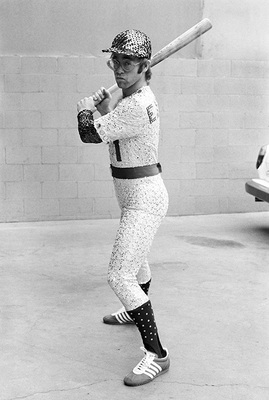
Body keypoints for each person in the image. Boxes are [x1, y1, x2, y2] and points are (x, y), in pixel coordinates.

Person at [77, 29, 170, 387]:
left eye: (128, 63)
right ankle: (136, 313)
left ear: (145, 67)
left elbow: (90, 134)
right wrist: (105, 110)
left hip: (144, 199)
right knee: (138, 262)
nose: (118, 69)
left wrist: (87, 112)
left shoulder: (135, 105)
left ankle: (157, 355)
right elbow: (118, 134)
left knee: (119, 275)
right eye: (115, 60)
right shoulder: (134, 98)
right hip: (133, 195)